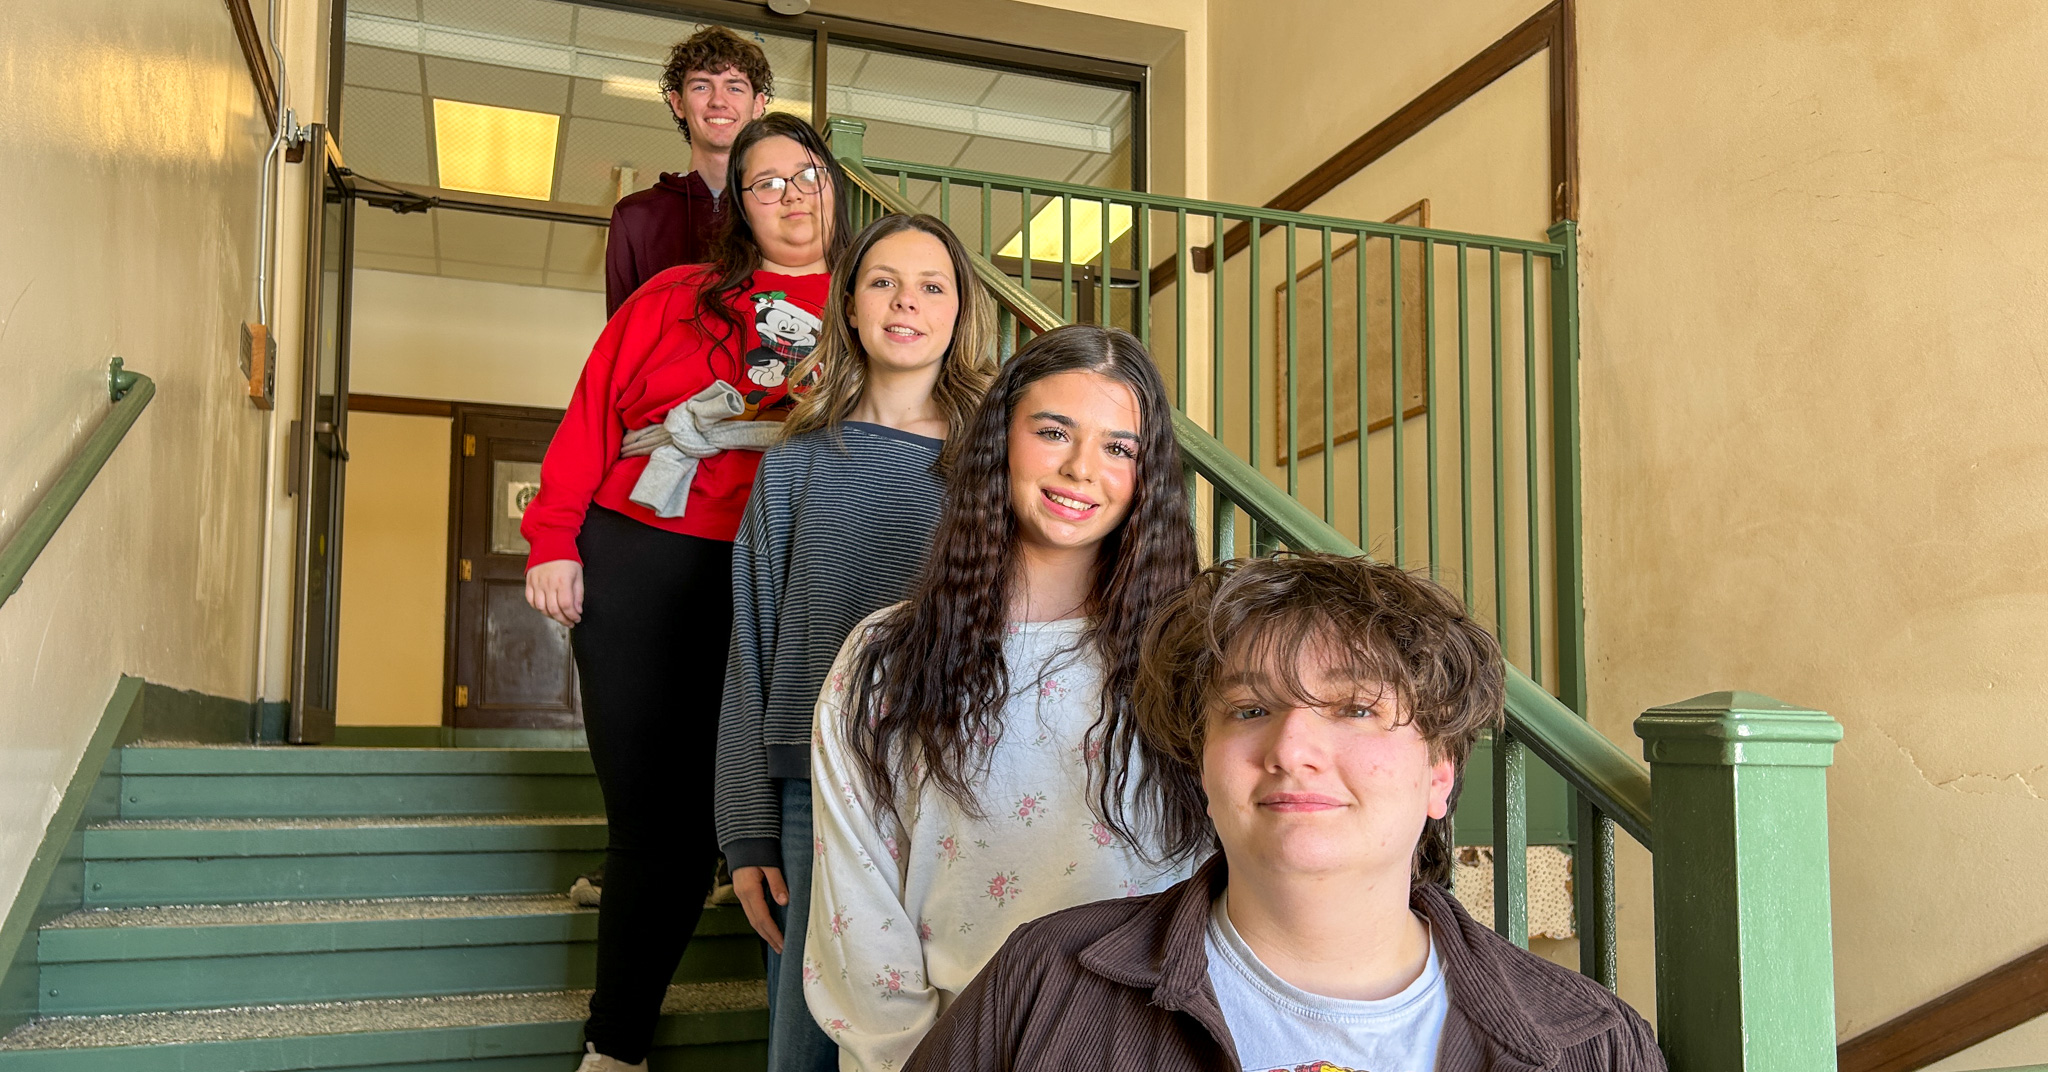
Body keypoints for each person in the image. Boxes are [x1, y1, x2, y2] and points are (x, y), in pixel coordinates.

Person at [902, 553, 1668, 1072]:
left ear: (1440, 774)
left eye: (1356, 708)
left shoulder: (1594, 1047)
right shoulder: (1045, 981)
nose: (1292, 746)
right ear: (1203, 765)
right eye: (1250, 709)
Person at [520, 112, 850, 1072]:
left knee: (797, 815)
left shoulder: (873, 305)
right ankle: (615, 1043)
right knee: (653, 821)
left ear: (835, 186)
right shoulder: (674, 295)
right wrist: (553, 539)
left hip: (793, 563)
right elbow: (592, 414)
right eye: (765, 182)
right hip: (645, 549)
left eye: (807, 174)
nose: (791, 194)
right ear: (738, 205)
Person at [803, 325, 1203, 1072]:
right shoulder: (883, 659)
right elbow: (858, 902)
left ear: (1147, 474)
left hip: (1154, 1041)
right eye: (1053, 433)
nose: (1082, 468)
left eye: (1119, 447)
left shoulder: (1189, 660)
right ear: (1000, 443)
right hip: (955, 1046)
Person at [715, 213, 1000, 1072]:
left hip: (961, 785)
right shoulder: (795, 462)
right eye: (883, 282)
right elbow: (750, 646)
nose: (906, 302)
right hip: (812, 793)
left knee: (947, 1033)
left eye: (931, 286)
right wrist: (745, 828)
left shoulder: (997, 466)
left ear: (960, 313)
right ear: (848, 305)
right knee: (807, 1044)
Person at [605, 25, 772, 316]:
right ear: (678, 103)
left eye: (734, 87)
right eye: (701, 86)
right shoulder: (635, 216)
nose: (718, 101)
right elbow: (622, 331)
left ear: (758, 105)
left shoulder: (780, 208)